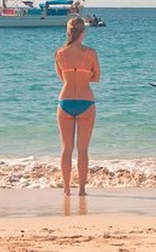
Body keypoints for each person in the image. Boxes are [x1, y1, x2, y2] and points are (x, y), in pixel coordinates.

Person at [54, 16, 100, 196]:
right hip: (86, 100)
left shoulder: (59, 53)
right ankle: (81, 189)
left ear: (69, 32)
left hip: (65, 101)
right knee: (83, 149)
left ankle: (66, 189)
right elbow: (96, 77)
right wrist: (83, 75)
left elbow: (61, 77)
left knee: (66, 149)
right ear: (83, 32)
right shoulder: (91, 53)